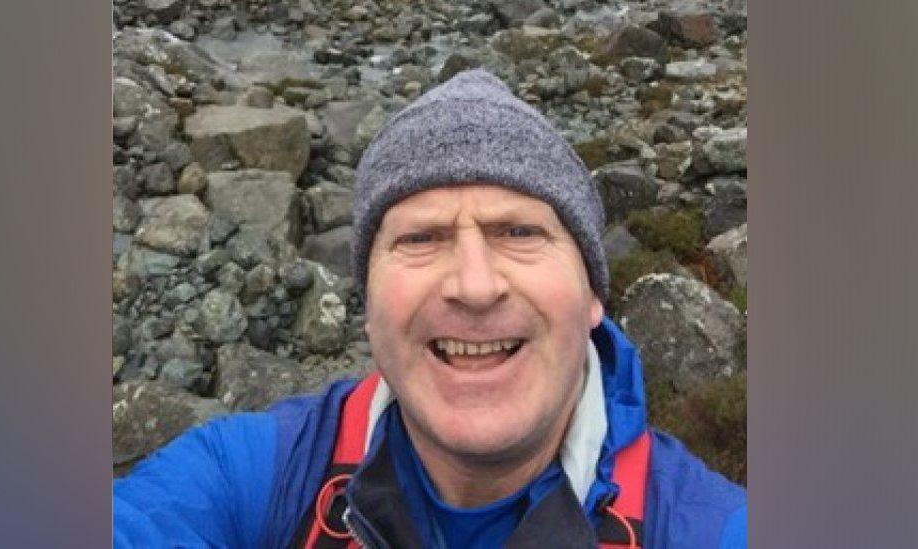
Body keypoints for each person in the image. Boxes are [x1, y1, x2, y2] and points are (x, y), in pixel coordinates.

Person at [113, 69, 746, 548]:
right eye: (420, 238)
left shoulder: (708, 525)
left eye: (519, 233)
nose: (474, 285)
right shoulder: (250, 479)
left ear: (592, 298)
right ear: (367, 310)